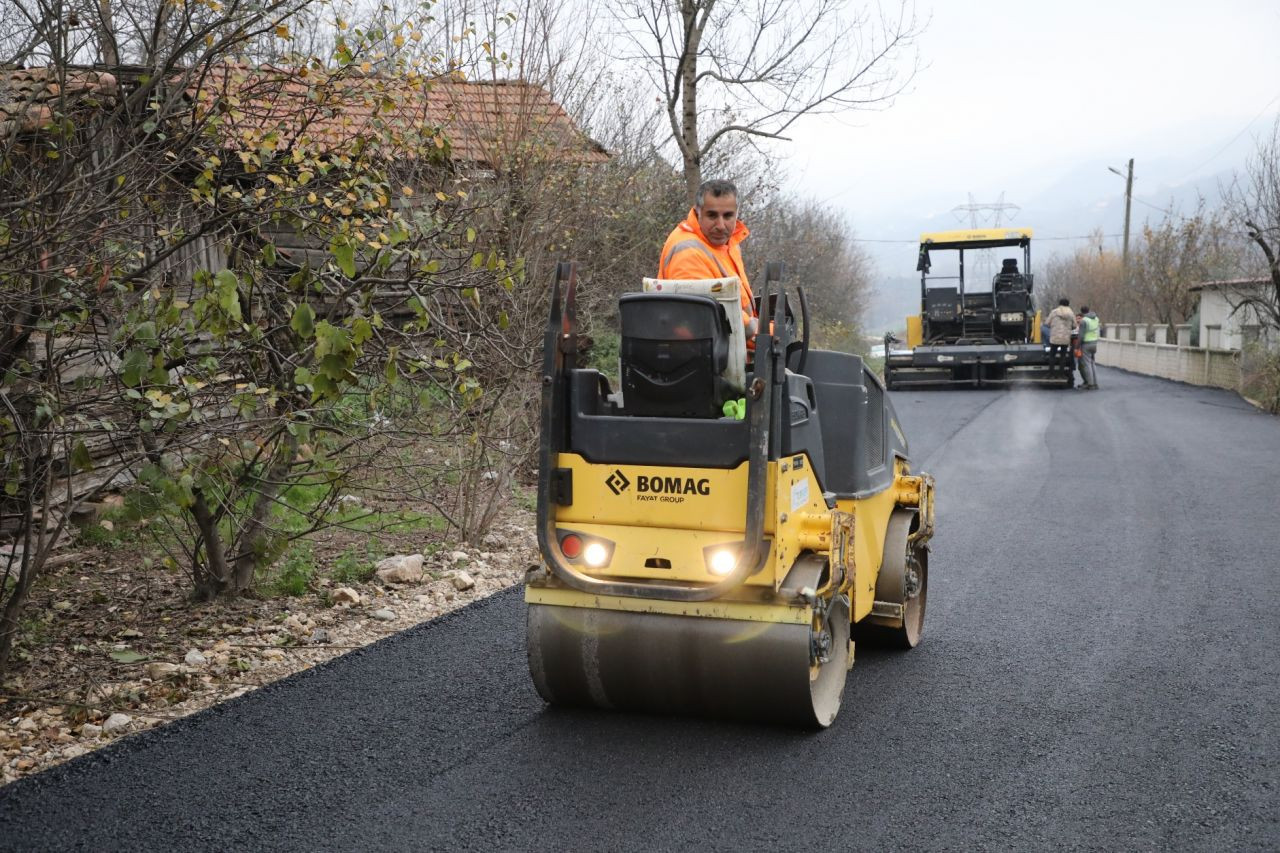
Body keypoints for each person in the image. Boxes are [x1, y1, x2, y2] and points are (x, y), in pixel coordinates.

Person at [658, 179, 757, 338]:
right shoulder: (687, 250)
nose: (720, 225)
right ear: (698, 214)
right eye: (712, 215)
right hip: (698, 354)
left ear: (736, 214)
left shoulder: (728, 244)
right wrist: (761, 331)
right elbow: (706, 316)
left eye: (728, 216)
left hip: (729, 347)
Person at [1046, 297, 1077, 386]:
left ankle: (1051, 374)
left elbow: (1047, 323)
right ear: (1068, 304)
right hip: (1065, 338)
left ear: (1059, 303)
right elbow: (1075, 325)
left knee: (1052, 355)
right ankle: (1061, 374)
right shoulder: (1071, 313)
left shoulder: (1054, 312)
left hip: (1055, 337)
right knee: (1063, 356)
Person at [1077, 305, 1101, 389]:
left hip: (1086, 344)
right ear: (1089, 310)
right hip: (1094, 343)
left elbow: (1081, 335)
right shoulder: (1096, 318)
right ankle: (1095, 383)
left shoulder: (1084, 321)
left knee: (1087, 364)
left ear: (1081, 312)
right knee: (1092, 363)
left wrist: (1077, 346)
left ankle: (1090, 384)